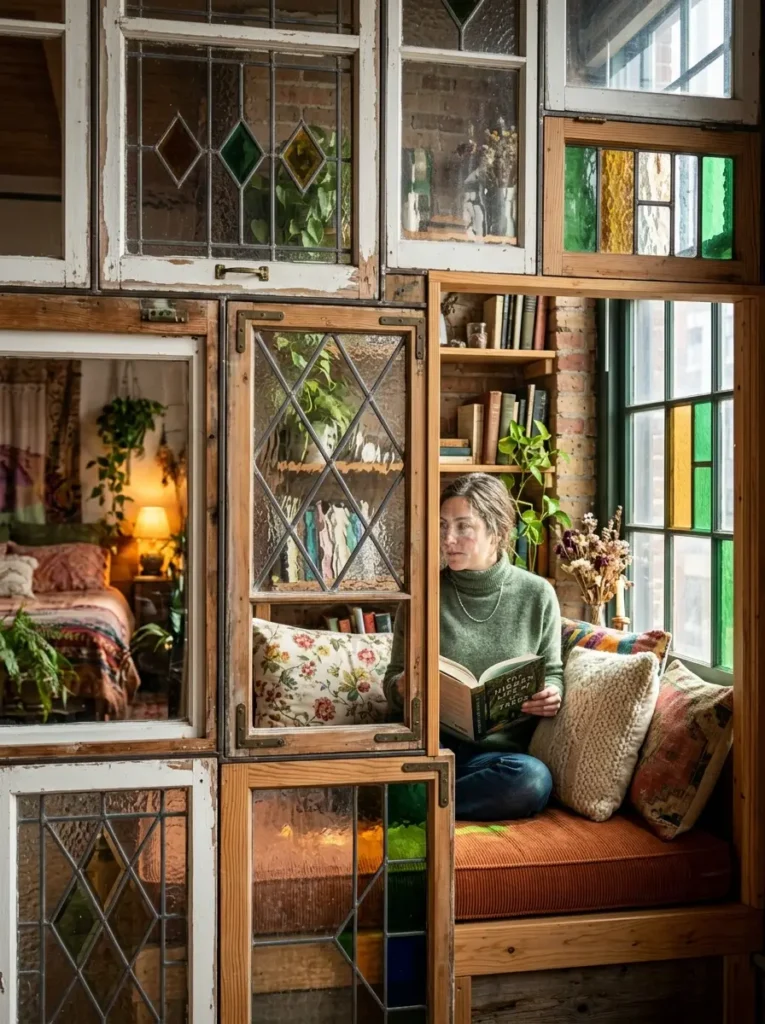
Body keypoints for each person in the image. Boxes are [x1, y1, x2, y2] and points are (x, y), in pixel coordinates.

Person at [383, 473, 563, 821]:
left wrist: (552, 693)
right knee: (398, 773)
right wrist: (401, 687)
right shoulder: (421, 594)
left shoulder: (537, 595)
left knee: (532, 780)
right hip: (428, 747)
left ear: (496, 532)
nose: (448, 539)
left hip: (493, 758)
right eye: (442, 526)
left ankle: (418, 807)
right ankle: (418, 800)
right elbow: (392, 680)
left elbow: (552, 671)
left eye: (464, 527)